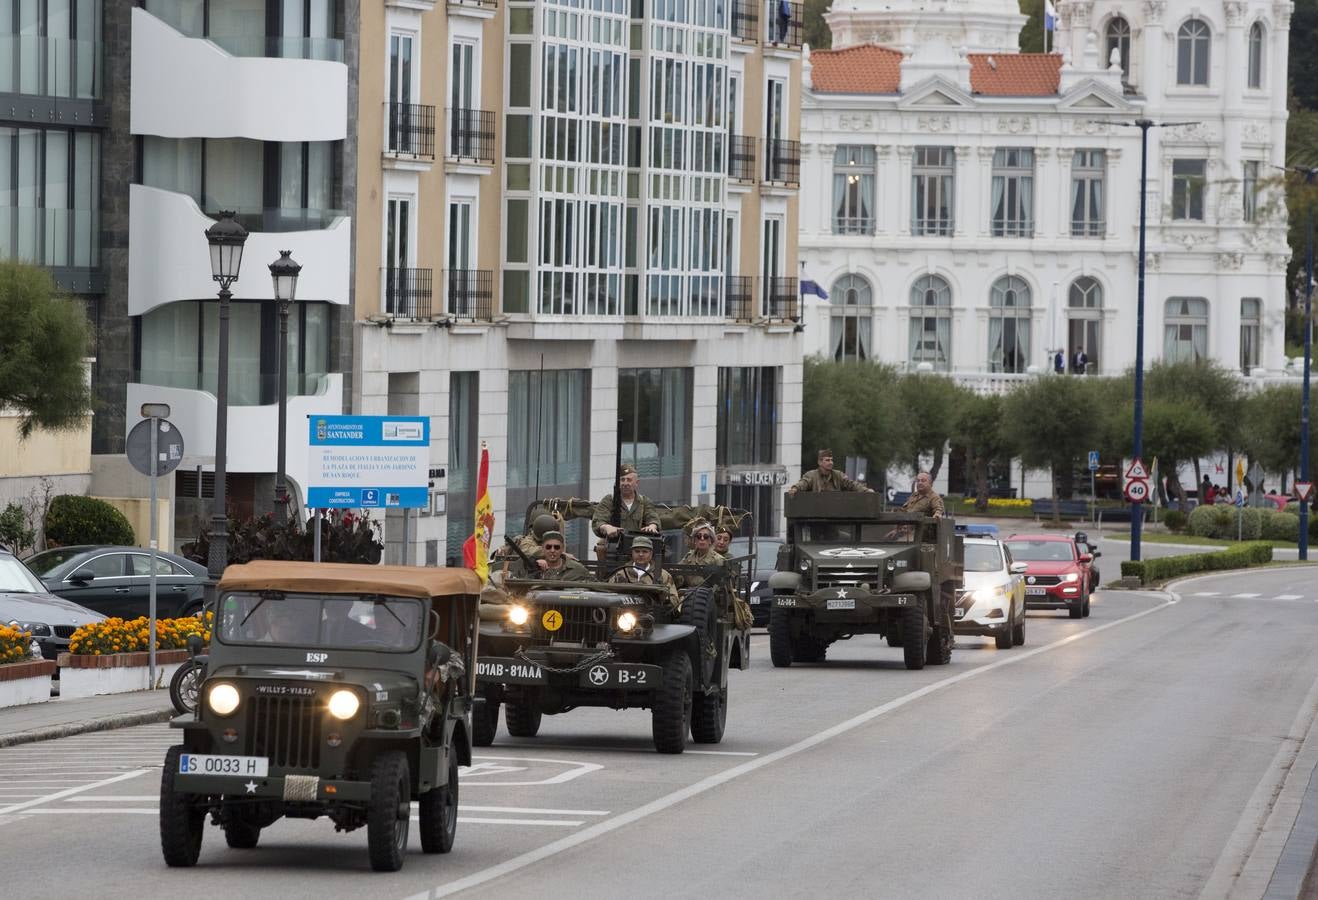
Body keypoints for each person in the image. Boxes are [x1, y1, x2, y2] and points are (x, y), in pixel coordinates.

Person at [592, 463, 662, 539]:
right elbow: (598, 521)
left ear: (636, 483)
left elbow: (653, 517)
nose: (625, 483)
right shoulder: (609, 500)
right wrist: (606, 527)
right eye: (622, 480)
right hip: (615, 545)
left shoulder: (645, 501)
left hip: (638, 547)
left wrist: (652, 526)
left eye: (629, 480)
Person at [608, 535, 679, 608]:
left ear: (651, 554)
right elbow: (609, 595)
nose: (641, 554)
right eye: (637, 551)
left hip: (652, 615)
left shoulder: (663, 575)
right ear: (632, 553)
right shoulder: (621, 573)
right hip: (623, 614)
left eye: (645, 551)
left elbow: (674, 599)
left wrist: (663, 599)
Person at [787, 449, 873, 495]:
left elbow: (851, 484)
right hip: (816, 514)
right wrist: (795, 488)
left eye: (831, 460)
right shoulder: (812, 475)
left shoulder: (838, 475)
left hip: (834, 513)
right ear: (820, 462)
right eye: (827, 460)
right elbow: (803, 483)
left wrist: (865, 490)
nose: (830, 462)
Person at [676, 520, 725, 588]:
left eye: (706, 536)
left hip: (707, 596)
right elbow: (677, 571)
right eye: (698, 536)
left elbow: (720, 587)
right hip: (687, 594)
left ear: (710, 540)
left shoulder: (718, 560)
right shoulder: (689, 556)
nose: (702, 539)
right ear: (695, 540)